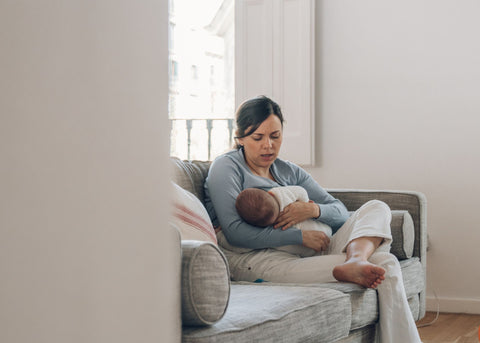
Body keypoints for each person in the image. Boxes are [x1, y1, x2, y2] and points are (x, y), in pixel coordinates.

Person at [204, 95, 422, 343]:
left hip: (313, 246)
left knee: (377, 207)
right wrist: (299, 236)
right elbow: (235, 233)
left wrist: (313, 211)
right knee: (385, 262)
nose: (268, 146)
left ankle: (356, 259)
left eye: (275, 136)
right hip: (258, 258)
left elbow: (339, 211)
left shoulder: (288, 170)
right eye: (258, 138)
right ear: (240, 137)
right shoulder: (227, 167)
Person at [235, 186, 332, 257]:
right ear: (270, 193)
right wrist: (305, 202)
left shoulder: (269, 229)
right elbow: (301, 191)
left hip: (310, 250)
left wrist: (306, 207)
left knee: (278, 246)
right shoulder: (280, 194)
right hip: (324, 231)